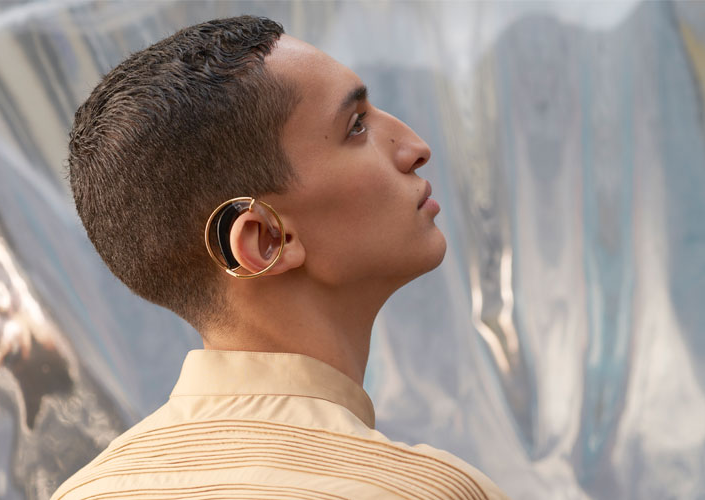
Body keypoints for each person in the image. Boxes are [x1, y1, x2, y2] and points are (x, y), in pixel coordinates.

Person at [52, 15, 508, 500]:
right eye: (356, 126)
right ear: (265, 240)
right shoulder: (425, 490)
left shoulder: (84, 492)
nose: (415, 148)